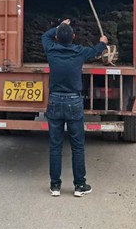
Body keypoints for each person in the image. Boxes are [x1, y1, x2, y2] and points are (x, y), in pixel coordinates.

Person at [42, 19, 108, 197]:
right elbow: (96, 51)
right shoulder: (79, 51)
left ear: (56, 37)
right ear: (73, 36)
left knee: (55, 146)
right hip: (73, 102)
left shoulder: (51, 49)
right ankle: (80, 185)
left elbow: (45, 36)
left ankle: (55, 186)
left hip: (54, 101)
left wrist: (57, 26)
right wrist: (103, 42)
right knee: (77, 146)